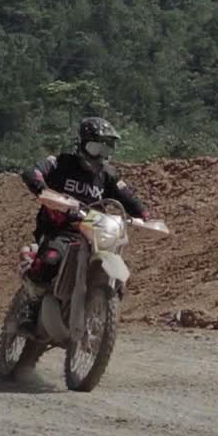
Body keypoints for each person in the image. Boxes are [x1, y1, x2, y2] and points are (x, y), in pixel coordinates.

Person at [15, 117, 149, 334]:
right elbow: (33, 171)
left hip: (92, 230)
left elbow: (127, 196)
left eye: (106, 148)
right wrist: (41, 189)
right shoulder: (62, 163)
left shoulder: (108, 175)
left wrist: (143, 214)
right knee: (50, 261)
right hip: (58, 228)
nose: (101, 154)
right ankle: (29, 308)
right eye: (96, 147)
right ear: (83, 145)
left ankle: (100, 313)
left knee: (116, 269)